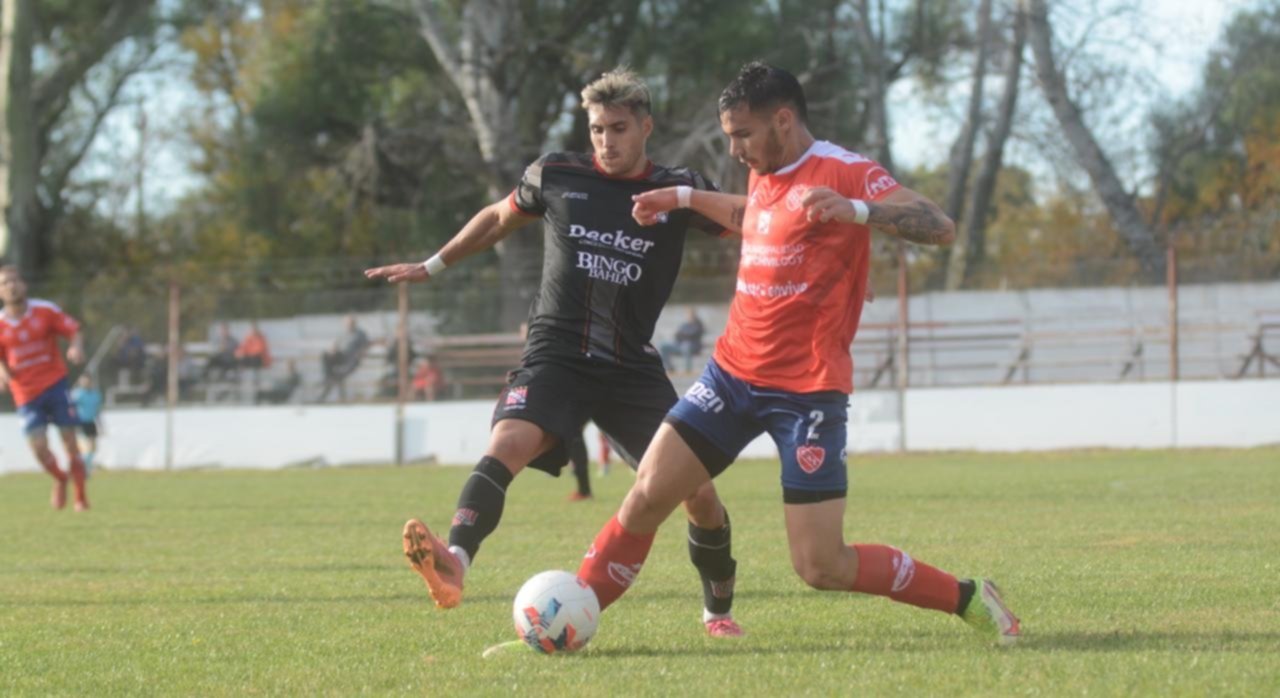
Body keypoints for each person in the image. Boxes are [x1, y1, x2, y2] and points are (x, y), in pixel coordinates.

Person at [575, 63, 1021, 645]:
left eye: (742, 134)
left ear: (783, 121)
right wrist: (683, 197)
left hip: (807, 391)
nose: (734, 149)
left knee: (821, 567)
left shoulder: (844, 170)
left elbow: (939, 226)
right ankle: (567, 624)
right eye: (728, 135)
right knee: (644, 499)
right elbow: (754, 217)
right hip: (731, 377)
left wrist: (857, 210)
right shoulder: (765, 169)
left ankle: (968, 597)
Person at [365, 68, 745, 637]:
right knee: (507, 441)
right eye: (596, 129)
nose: (606, 141)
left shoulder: (678, 188)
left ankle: (718, 612)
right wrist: (433, 265)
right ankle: (456, 563)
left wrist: (700, 201)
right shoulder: (557, 174)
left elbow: (754, 219)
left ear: (646, 126)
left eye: (618, 128)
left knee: (698, 493)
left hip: (630, 367)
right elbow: (497, 217)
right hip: (556, 354)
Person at [0, 265, 90, 510]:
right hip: (25, 393)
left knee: (70, 441)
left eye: (14, 281)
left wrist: (76, 346)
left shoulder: (45, 310)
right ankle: (60, 478)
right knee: (38, 448)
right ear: (0, 291)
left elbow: (74, 329)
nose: (11, 286)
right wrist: (3, 372)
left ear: (24, 285)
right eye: (5, 283)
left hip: (54, 384)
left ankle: (80, 497)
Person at [317, 315, 369, 402]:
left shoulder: (360, 334)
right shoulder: (343, 333)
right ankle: (327, 377)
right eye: (346, 324)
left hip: (352, 359)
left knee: (337, 376)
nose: (348, 325)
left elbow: (366, 345)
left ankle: (331, 396)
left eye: (350, 323)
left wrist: (361, 352)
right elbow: (336, 344)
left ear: (354, 323)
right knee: (325, 355)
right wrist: (332, 349)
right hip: (342, 356)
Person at [70, 374, 104, 476]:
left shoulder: (96, 395)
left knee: (93, 448)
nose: (85, 383)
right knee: (87, 446)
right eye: (83, 381)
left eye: (87, 381)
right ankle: (84, 469)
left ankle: (85, 467)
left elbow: (97, 411)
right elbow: (71, 409)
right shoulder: (77, 394)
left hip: (91, 423)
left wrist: (100, 425)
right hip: (81, 423)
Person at [661, 307, 705, 373]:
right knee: (663, 346)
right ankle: (670, 367)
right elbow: (677, 335)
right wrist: (684, 335)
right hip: (680, 345)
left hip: (693, 347)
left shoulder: (699, 325)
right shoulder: (684, 325)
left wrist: (683, 335)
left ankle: (688, 369)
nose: (689, 316)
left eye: (691, 314)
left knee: (686, 346)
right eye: (688, 314)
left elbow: (693, 335)